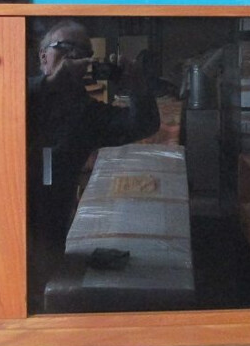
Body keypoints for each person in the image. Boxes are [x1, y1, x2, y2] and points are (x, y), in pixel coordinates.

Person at [27, 20, 160, 304]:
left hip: (51, 227)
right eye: (65, 47)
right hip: (5, 222)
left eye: (83, 51)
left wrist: (136, 88)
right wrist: (52, 83)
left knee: (45, 295)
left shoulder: (87, 114)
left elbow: (143, 125)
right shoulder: (20, 94)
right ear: (43, 57)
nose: (75, 56)